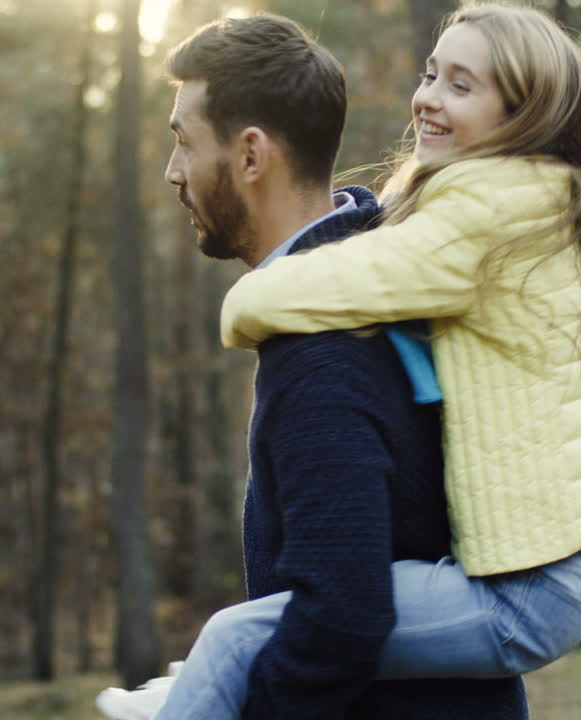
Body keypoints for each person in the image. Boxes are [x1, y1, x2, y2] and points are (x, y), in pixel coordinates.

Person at [98, 11, 531, 720]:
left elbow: (341, 619)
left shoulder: (323, 349)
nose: (173, 171)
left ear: (250, 156)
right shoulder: (393, 272)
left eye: (183, 143)